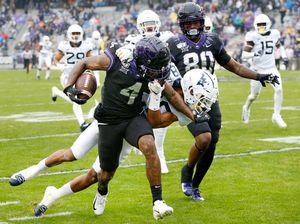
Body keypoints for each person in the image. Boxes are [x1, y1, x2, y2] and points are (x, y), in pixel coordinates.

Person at [63, 36, 195, 220]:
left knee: (149, 145)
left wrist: (192, 115)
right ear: (143, 62)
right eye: (156, 66)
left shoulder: (154, 72)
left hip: (134, 117)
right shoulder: (116, 60)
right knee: (105, 174)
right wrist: (68, 87)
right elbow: (85, 62)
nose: (160, 71)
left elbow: (172, 96)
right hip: (109, 120)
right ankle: (102, 190)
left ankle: (158, 202)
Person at [166, 2, 279, 201]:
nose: (192, 26)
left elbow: (233, 66)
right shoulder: (174, 45)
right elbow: (164, 73)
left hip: (211, 98)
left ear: (201, 23)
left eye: (196, 22)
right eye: (188, 23)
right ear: (182, 25)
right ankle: (187, 170)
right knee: (203, 138)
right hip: (187, 100)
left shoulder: (213, 41)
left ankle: (196, 185)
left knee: (212, 144)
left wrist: (259, 76)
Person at [117, 9, 175, 173]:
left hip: (160, 81)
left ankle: (160, 154)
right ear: (139, 26)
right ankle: (137, 143)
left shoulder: (166, 37)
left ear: (158, 25)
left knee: (159, 115)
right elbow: (126, 53)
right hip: (140, 84)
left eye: (152, 24)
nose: (149, 28)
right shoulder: (132, 40)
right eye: (146, 25)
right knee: (136, 114)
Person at [241, 14, 288, 128]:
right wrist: (254, 54)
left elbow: (279, 46)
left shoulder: (274, 34)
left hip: (271, 68)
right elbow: (244, 55)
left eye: (263, 25)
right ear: (255, 25)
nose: (261, 27)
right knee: (253, 96)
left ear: (268, 25)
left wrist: (284, 56)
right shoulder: (252, 36)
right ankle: (246, 108)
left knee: (279, 89)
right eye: (259, 25)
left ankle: (276, 115)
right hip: (257, 71)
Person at [51, 24, 93, 132]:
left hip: (80, 76)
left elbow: (92, 61)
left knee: (74, 99)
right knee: (76, 99)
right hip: (67, 76)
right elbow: (55, 60)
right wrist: (59, 65)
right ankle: (82, 124)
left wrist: (90, 72)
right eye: (73, 33)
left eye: (77, 33)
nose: (75, 35)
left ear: (81, 34)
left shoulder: (86, 46)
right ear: (69, 34)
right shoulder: (64, 45)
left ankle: (56, 91)